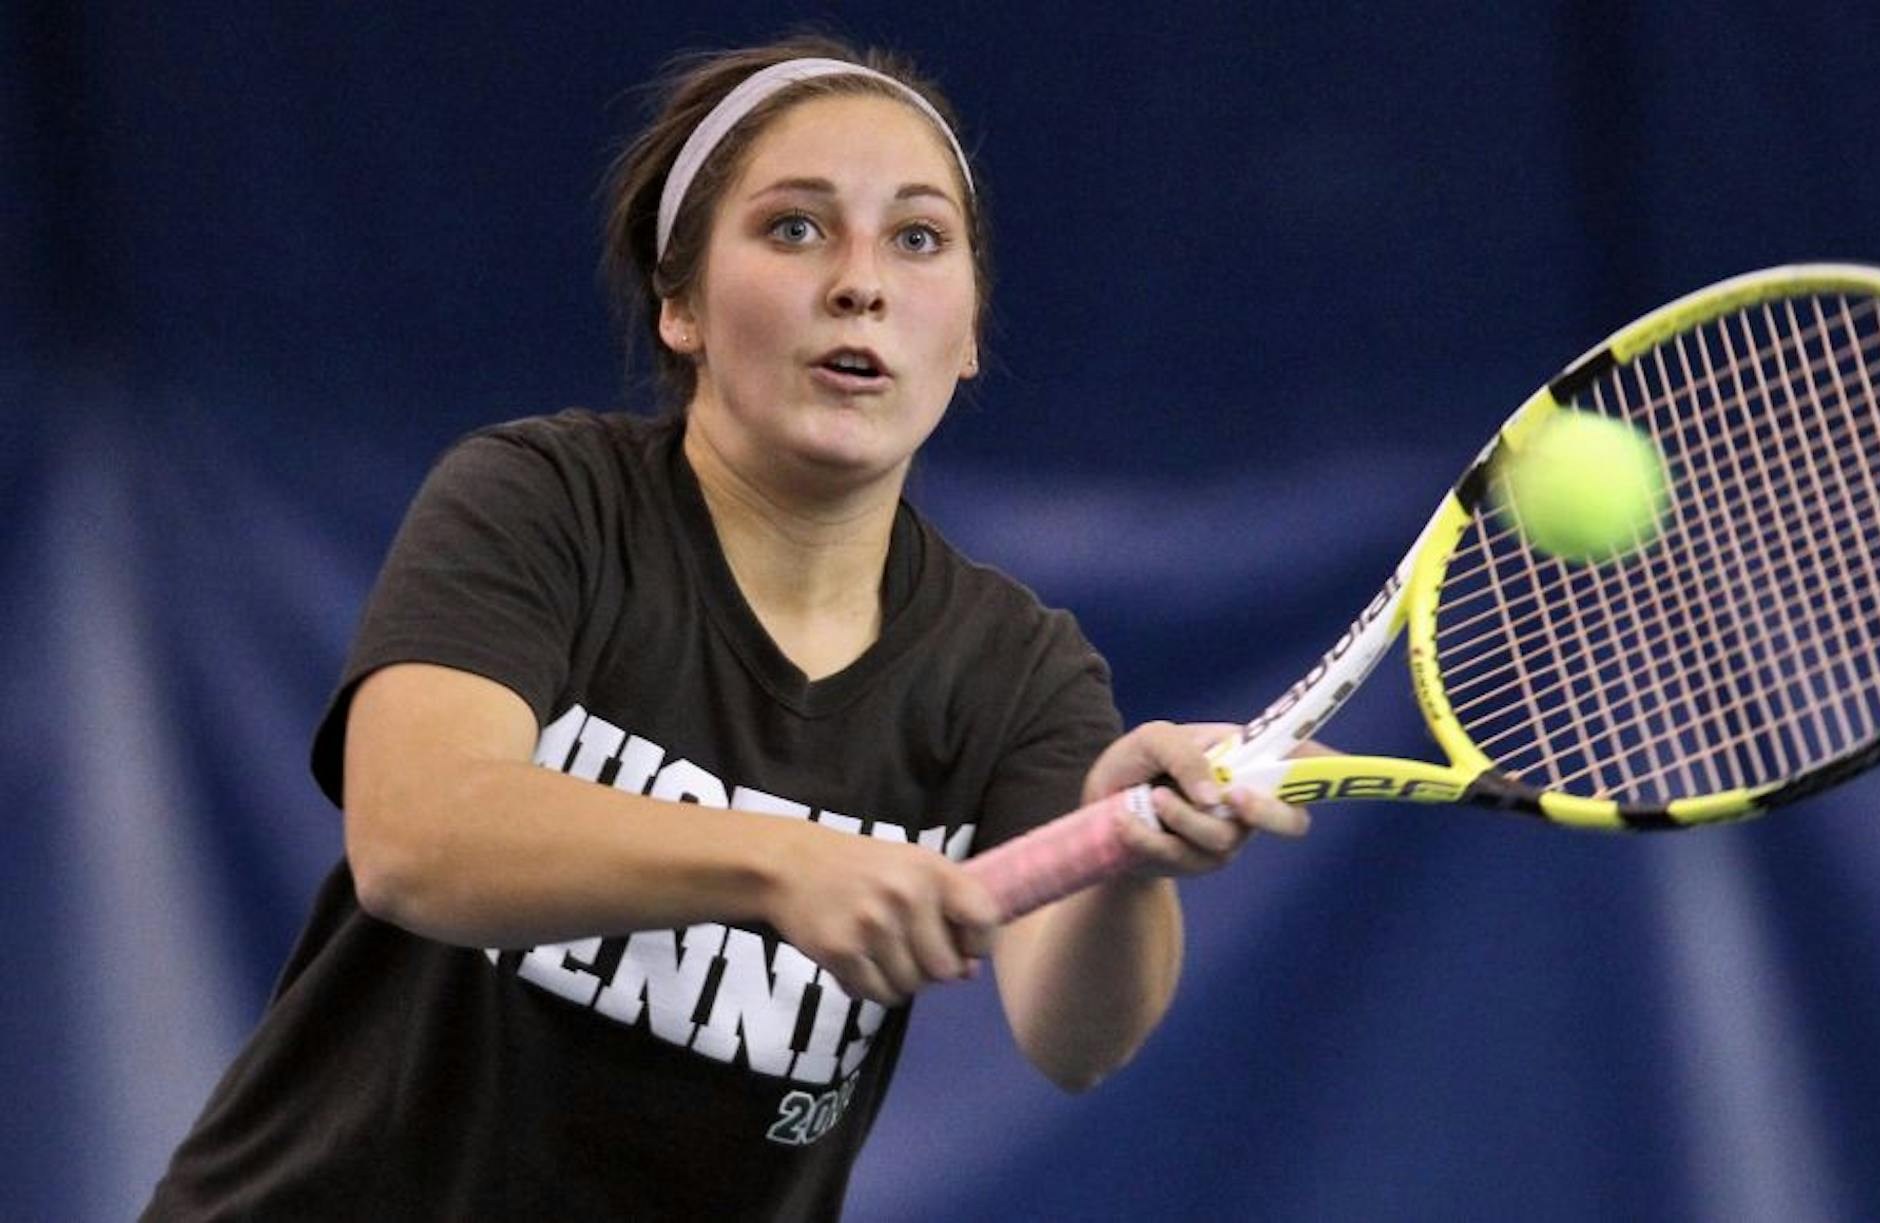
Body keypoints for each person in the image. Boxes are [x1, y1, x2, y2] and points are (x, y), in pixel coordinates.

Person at [144, 34, 1309, 1221]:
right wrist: (785, 861)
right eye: (796, 227)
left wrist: (1122, 858)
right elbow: (417, 834)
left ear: (965, 340)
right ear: (681, 305)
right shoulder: (543, 501)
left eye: (918, 238)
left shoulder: (1016, 669)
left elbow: (1075, 1038)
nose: (862, 282)